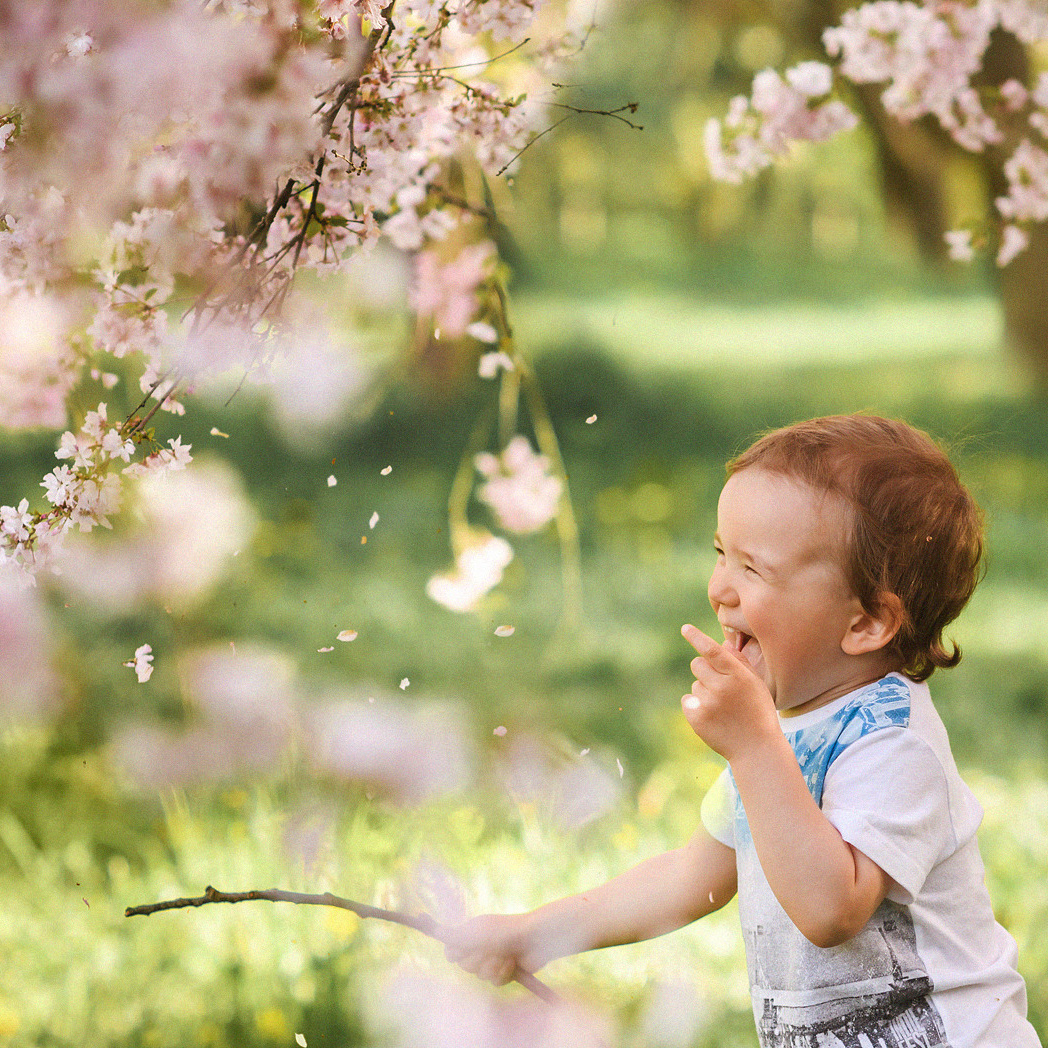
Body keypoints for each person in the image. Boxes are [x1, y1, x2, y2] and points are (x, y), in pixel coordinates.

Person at [444, 414, 1043, 1047]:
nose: (720, 588)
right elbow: (688, 881)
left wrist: (755, 745)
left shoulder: (894, 746)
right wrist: (534, 934)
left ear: (866, 623)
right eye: (720, 554)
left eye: (753, 568)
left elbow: (829, 911)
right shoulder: (787, 730)